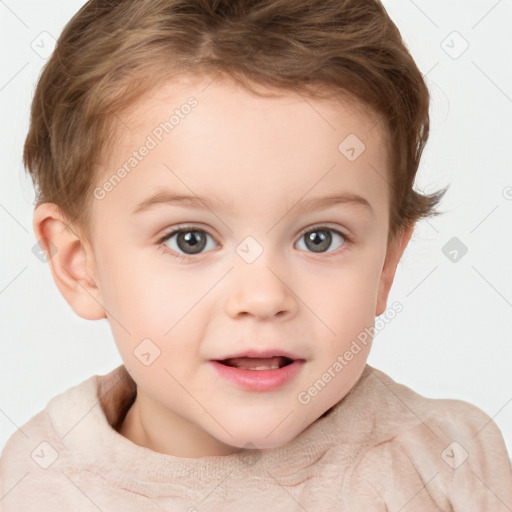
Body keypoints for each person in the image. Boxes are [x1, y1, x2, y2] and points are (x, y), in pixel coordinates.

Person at [1, 0, 511, 510]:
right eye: (190, 239)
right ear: (79, 264)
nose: (264, 297)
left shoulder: (452, 465)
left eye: (320, 238)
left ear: (385, 264)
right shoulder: (37, 486)